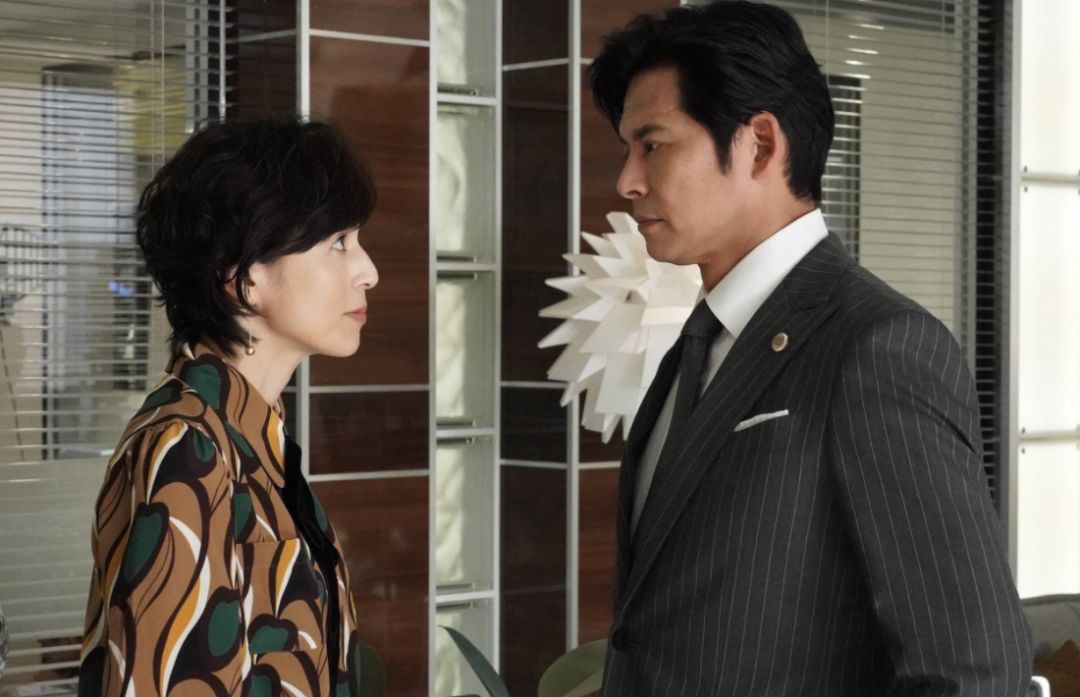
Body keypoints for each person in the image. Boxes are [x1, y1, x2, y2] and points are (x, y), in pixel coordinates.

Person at [586, 2, 1032, 695]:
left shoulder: (876, 347)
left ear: (761, 144)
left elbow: (973, 670)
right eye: (627, 149)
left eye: (654, 145)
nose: (627, 181)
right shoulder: (697, 344)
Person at [77, 117, 379, 696]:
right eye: (338, 243)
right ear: (242, 276)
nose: (369, 271)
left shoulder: (254, 439)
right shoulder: (186, 449)